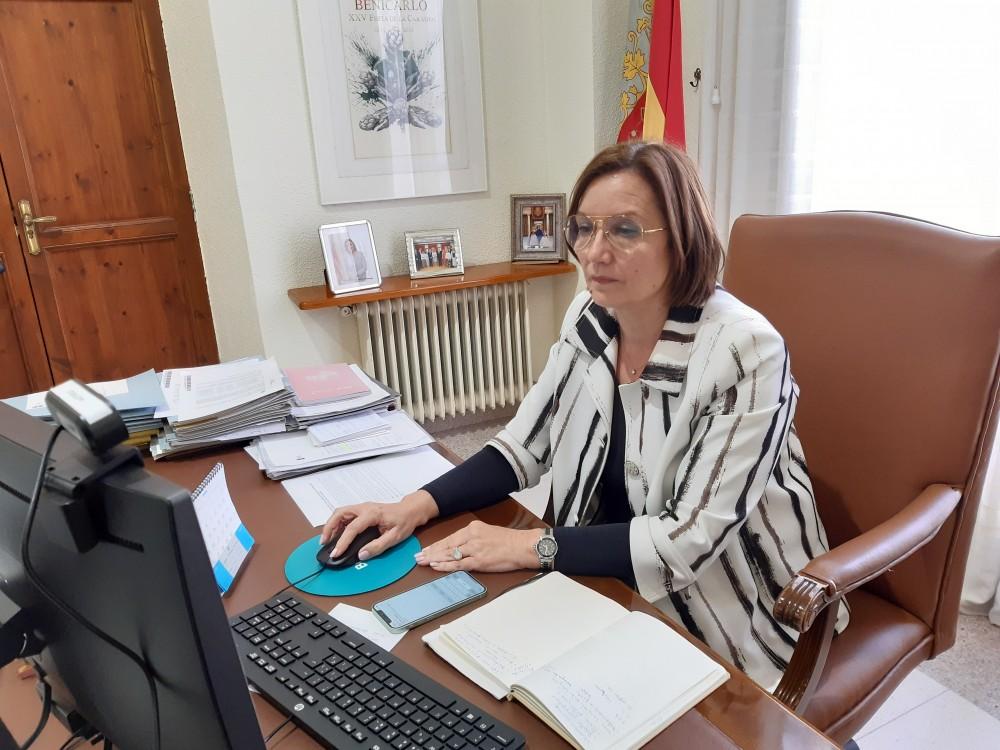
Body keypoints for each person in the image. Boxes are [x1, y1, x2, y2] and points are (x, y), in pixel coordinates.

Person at [320, 141, 848, 690]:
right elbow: (523, 446)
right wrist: (412, 506)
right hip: (601, 573)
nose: (594, 253)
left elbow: (686, 543)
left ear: (682, 238)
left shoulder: (745, 350)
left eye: (625, 230)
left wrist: (528, 547)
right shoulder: (592, 314)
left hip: (729, 608)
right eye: (583, 228)